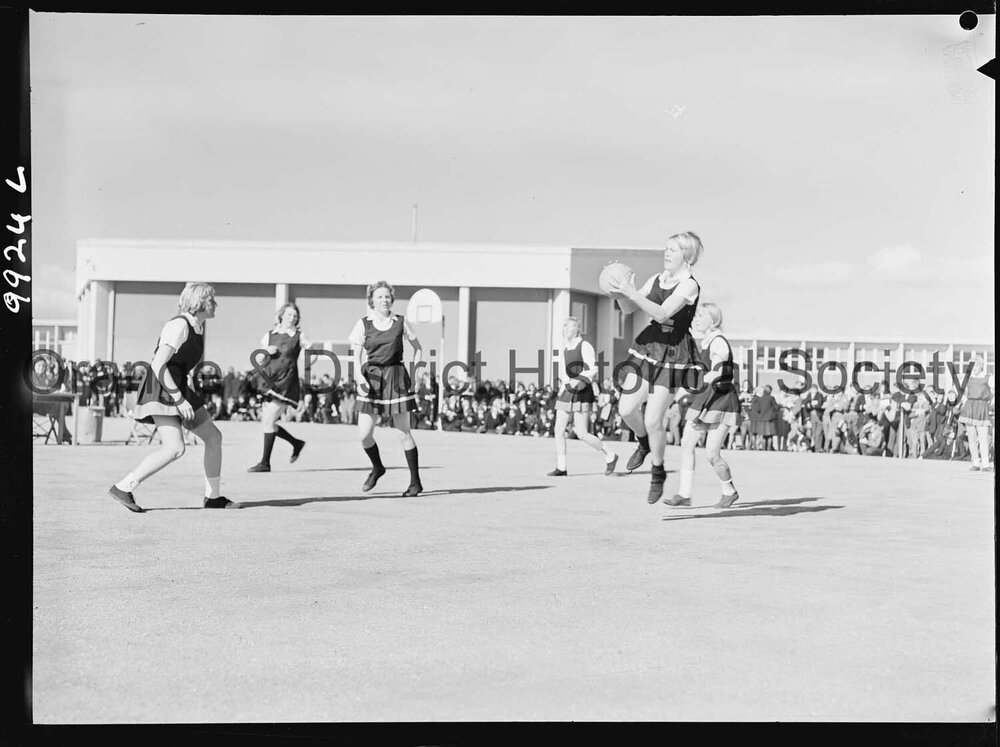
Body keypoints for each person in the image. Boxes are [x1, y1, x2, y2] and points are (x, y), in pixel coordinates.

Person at [108, 282, 238, 512]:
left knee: (214, 438)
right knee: (175, 448)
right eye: (211, 299)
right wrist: (179, 398)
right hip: (161, 387)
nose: (215, 304)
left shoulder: (197, 327)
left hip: (178, 387)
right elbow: (158, 363)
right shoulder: (179, 325)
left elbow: (180, 365)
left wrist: (186, 394)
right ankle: (123, 487)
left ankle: (213, 497)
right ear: (199, 302)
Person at [603, 231, 703, 503]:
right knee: (625, 408)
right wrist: (619, 290)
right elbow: (627, 309)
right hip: (649, 346)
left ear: (688, 256)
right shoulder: (656, 279)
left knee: (653, 419)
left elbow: (661, 312)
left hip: (673, 354)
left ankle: (657, 471)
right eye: (666, 248)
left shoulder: (689, 285)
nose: (666, 253)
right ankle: (644, 442)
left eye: (673, 249)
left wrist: (630, 291)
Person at [349, 281, 424, 496]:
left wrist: (417, 373)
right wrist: (358, 378)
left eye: (387, 296)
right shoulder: (363, 324)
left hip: (396, 377)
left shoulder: (401, 322)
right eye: (379, 296)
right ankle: (378, 467)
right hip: (371, 378)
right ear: (371, 300)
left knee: (404, 432)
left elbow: (418, 349)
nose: (384, 300)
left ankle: (415, 482)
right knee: (364, 435)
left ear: (392, 299)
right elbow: (355, 355)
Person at [665, 303, 742, 508]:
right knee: (687, 443)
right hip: (705, 397)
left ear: (713, 320)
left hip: (721, 399)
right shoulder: (707, 342)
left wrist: (691, 386)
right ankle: (684, 494)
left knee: (711, 454)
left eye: (700, 316)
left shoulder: (718, 342)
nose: (696, 319)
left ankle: (729, 490)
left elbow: (717, 372)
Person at [547, 317, 619, 476]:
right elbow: (565, 374)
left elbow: (592, 368)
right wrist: (563, 387)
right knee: (558, 429)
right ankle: (562, 467)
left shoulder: (584, 345)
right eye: (565, 326)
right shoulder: (566, 348)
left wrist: (577, 380)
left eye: (570, 326)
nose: (567, 329)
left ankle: (610, 455)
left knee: (582, 433)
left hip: (581, 390)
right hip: (567, 391)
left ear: (578, 329)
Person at [247, 303, 309, 472]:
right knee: (268, 421)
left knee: (268, 420)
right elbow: (258, 358)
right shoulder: (269, 335)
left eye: (295, 316)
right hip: (269, 380)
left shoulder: (298, 336)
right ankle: (296, 443)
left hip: (286, 382)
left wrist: (311, 357)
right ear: (281, 316)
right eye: (289, 315)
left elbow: (309, 352)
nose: (292, 318)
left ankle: (265, 463)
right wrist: (266, 351)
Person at [957, 356, 993, 471]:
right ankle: (976, 463)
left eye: (976, 366)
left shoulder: (988, 377)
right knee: (971, 437)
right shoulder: (968, 378)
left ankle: (986, 464)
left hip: (982, 407)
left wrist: (990, 402)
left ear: (981, 366)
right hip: (970, 408)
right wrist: (961, 404)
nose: (974, 368)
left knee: (983, 438)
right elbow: (963, 393)